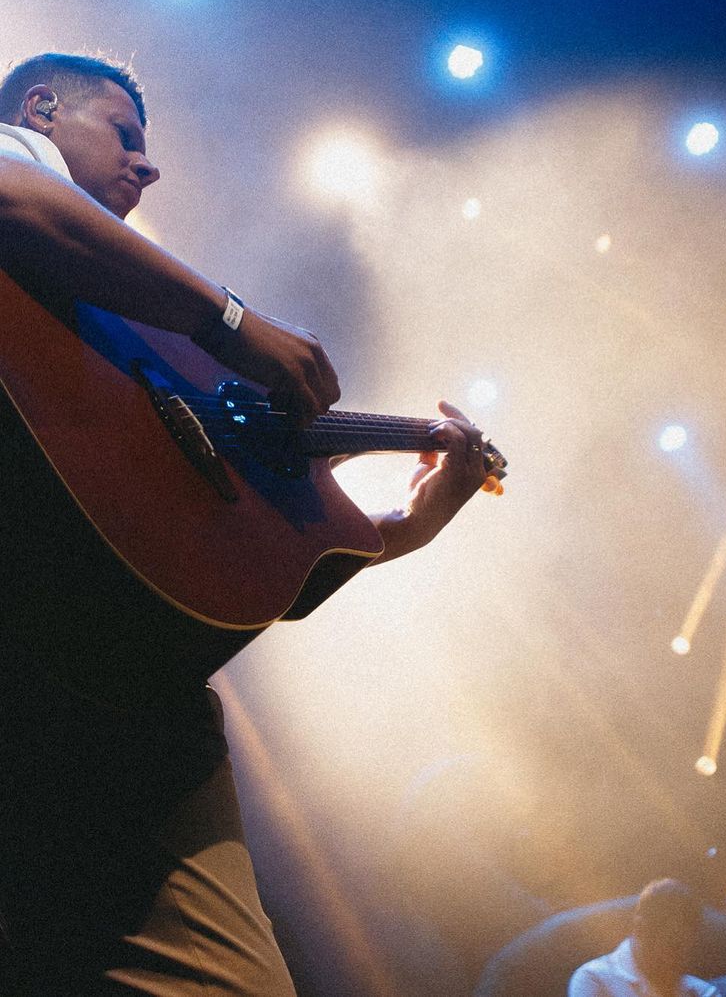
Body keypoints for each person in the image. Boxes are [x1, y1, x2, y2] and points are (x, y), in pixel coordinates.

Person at [0, 52, 492, 994]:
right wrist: (230, 319)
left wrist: (402, 528)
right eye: (125, 135)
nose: (149, 166)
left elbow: (217, 568)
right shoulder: (29, 179)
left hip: (119, 695)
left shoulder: (112, 326)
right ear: (41, 107)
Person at [568, 880, 718, 997]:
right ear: (641, 929)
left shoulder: (703, 992)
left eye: (687, 946)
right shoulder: (593, 979)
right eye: (673, 944)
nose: (679, 957)